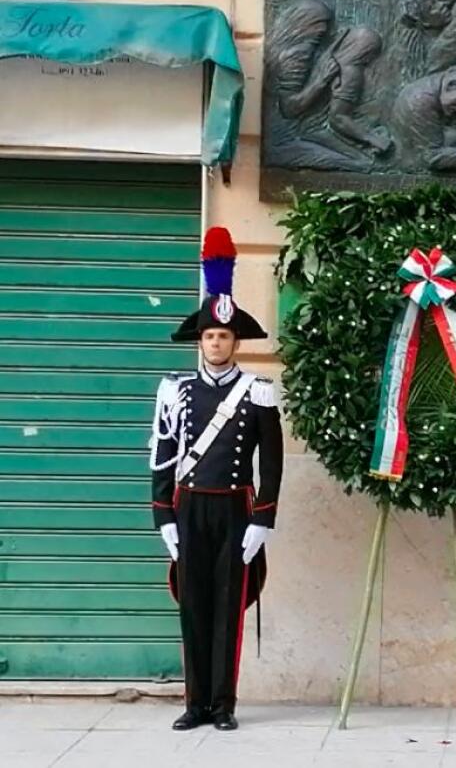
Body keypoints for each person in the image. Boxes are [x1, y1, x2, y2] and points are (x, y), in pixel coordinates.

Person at [150, 227, 283, 732]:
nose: (217, 342)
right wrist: (163, 514)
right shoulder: (174, 391)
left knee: (228, 607)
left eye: (224, 335)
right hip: (189, 507)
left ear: (235, 341)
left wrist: (263, 520)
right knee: (193, 607)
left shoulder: (258, 392)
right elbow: (162, 457)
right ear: (200, 340)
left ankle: (223, 706)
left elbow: (271, 462)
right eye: (209, 335)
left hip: (235, 510)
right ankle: (194, 703)